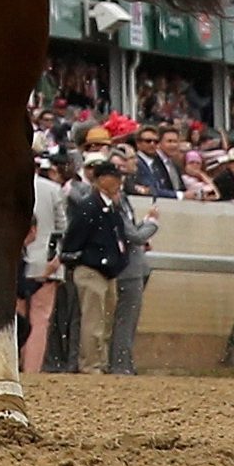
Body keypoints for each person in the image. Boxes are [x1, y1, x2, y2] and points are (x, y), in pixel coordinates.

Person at [61, 152, 155, 377]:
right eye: (114, 177)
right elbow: (74, 239)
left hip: (108, 270)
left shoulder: (111, 207)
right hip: (92, 268)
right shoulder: (89, 206)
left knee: (104, 321)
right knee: (93, 320)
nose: (119, 182)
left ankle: (100, 362)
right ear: (101, 180)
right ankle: (90, 364)